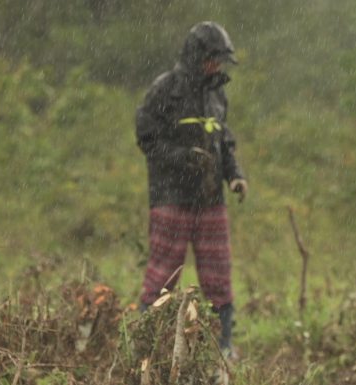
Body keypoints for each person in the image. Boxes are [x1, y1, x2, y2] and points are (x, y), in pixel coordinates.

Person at [135, 21, 248, 356]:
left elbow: (223, 141)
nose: (216, 66)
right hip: (171, 197)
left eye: (220, 60)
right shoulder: (164, 90)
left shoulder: (217, 95)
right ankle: (145, 347)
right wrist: (184, 158)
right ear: (197, 55)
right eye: (212, 58)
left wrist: (235, 175)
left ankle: (222, 349)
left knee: (219, 277)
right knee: (162, 277)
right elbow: (148, 139)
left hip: (211, 199)